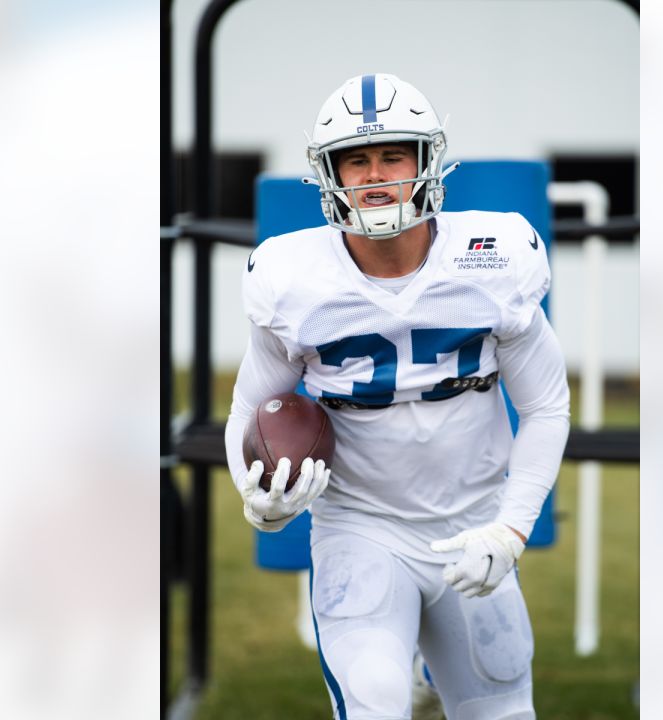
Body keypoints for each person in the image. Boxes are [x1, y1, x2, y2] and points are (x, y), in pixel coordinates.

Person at [224, 73, 570, 720]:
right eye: (356, 159)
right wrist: (260, 502)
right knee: (376, 699)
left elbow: (547, 406)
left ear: (425, 163)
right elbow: (250, 405)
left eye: (392, 155)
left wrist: (512, 527)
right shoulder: (291, 276)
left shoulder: (494, 257)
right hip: (361, 526)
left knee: (501, 707)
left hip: (473, 519)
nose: (376, 174)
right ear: (329, 174)